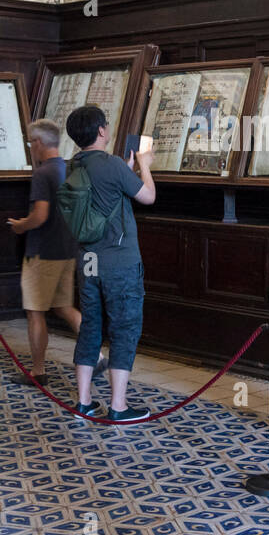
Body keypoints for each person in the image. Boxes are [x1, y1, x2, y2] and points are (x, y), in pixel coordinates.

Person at [65, 106, 156, 422]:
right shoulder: (114, 165)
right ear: (102, 131)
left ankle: (84, 401)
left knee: (91, 324)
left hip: (88, 260)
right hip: (118, 261)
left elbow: (103, 195)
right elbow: (148, 197)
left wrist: (125, 169)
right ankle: (118, 406)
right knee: (124, 327)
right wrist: (143, 166)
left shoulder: (73, 165)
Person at [7, 120, 83, 385]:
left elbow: (39, 215)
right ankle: (95, 356)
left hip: (42, 252)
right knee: (64, 306)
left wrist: (20, 226)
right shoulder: (68, 168)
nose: (31, 147)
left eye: (31, 142)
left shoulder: (42, 174)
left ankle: (38, 371)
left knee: (35, 311)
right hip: (67, 248)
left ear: (38, 143)